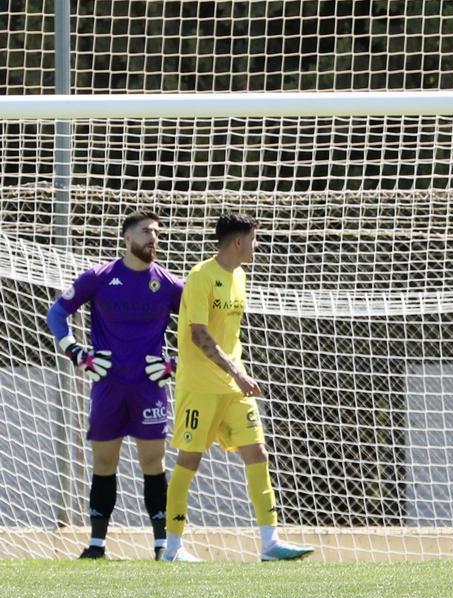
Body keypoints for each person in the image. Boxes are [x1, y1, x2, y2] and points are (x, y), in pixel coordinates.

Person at [162, 212, 313, 563]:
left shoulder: (240, 276)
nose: (257, 245)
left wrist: (237, 376)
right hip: (200, 387)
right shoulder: (201, 277)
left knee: (258, 453)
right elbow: (198, 335)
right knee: (190, 460)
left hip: (233, 387)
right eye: (254, 239)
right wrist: (238, 373)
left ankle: (270, 543)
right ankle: (171, 548)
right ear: (237, 242)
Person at [46, 209, 184, 560]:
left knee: (154, 463)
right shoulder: (100, 277)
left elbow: (204, 327)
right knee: (103, 463)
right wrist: (75, 351)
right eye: (145, 231)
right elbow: (56, 314)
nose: (153, 238)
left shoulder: (168, 284)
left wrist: (176, 364)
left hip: (149, 387)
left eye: (156, 232)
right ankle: (96, 545)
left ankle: (160, 546)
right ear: (126, 237)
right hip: (107, 385)